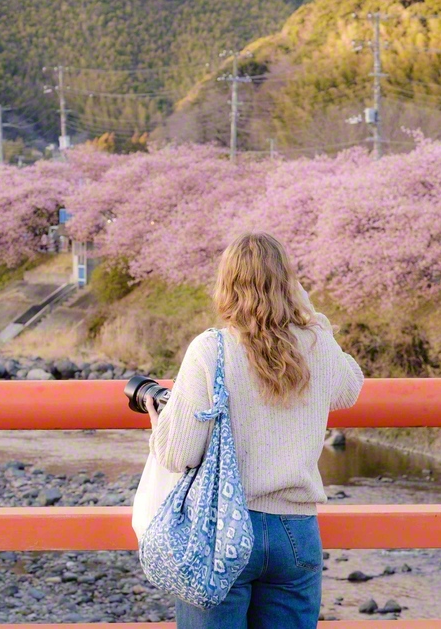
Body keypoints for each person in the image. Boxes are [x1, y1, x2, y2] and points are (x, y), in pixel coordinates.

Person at [146, 232, 364, 629]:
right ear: (289, 285)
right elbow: (350, 388)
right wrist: (310, 315)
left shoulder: (210, 350)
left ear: (226, 285)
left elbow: (179, 455)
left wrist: (156, 416)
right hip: (295, 531)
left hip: (221, 529)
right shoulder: (314, 343)